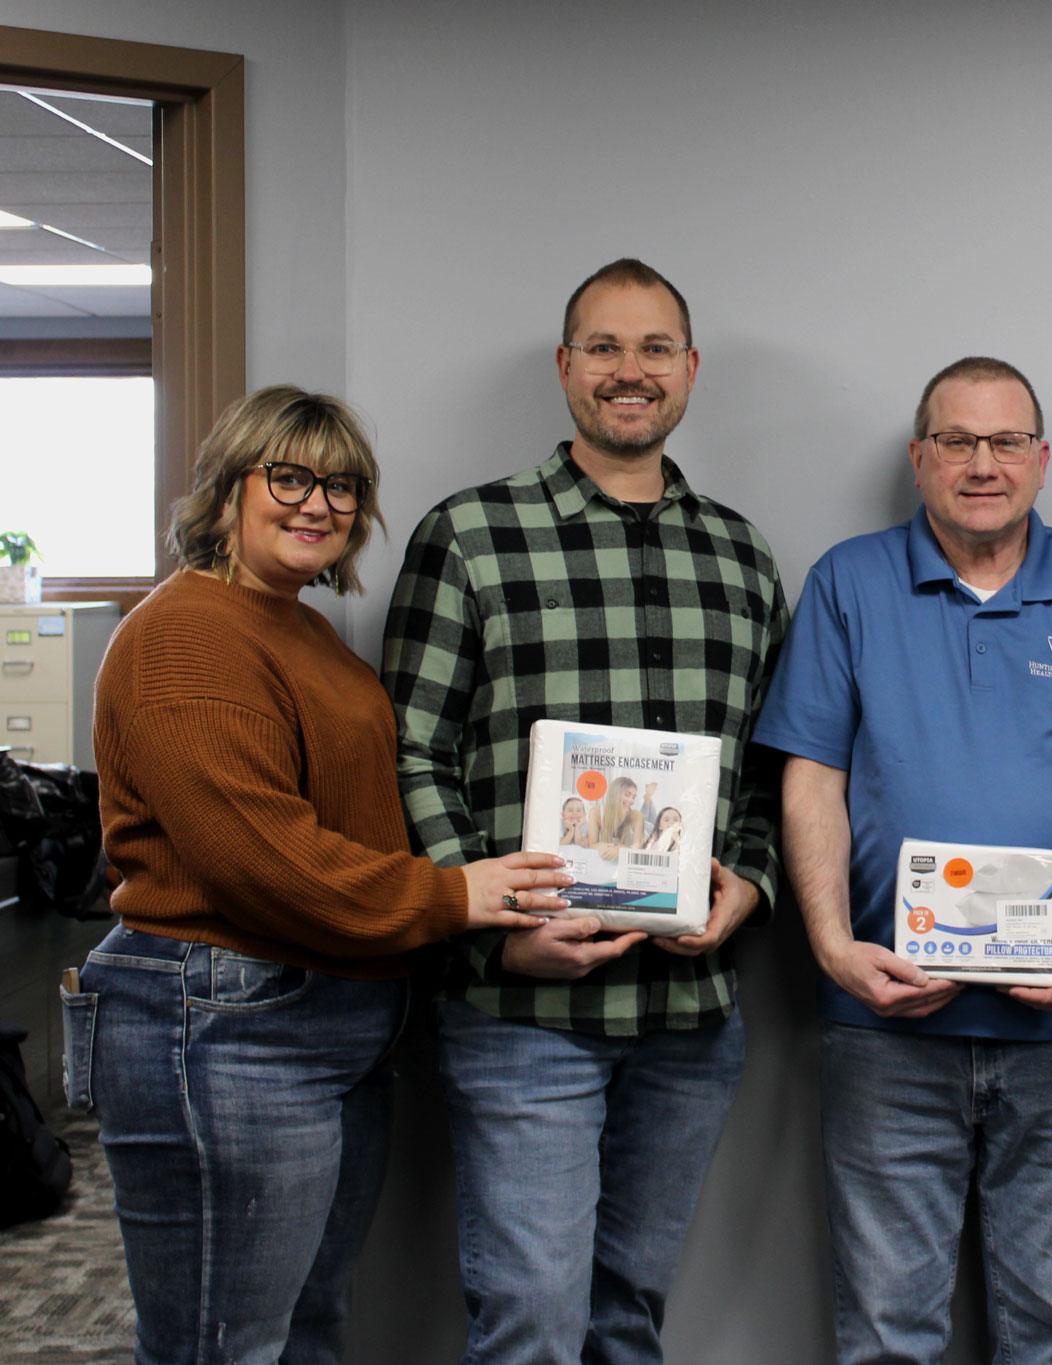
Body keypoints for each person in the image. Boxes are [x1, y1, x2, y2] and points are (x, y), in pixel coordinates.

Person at [73, 385, 569, 1365]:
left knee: (300, 1332)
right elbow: (260, 859)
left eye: (342, 485)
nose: (318, 504)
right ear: (226, 492)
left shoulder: (294, 626)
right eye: (289, 476)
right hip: (228, 1027)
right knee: (224, 1348)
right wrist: (455, 894)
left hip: (315, 1021)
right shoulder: (188, 635)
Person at [381, 258, 789, 1363]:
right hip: (524, 1020)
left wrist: (747, 882)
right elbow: (409, 751)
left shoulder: (742, 557)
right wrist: (498, 927)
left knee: (627, 1319)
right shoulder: (468, 534)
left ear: (689, 371)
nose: (629, 372)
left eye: (655, 348)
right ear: (565, 368)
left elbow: (764, 770)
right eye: (603, 348)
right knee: (530, 1324)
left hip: (689, 1012)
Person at [754, 356, 1052, 1364]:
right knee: (881, 1334)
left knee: (1051, 1335)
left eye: (1005, 443)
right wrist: (829, 946)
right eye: (956, 441)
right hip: (885, 1022)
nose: (982, 465)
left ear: (1041, 461)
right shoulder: (847, 583)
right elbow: (810, 778)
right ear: (919, 459)